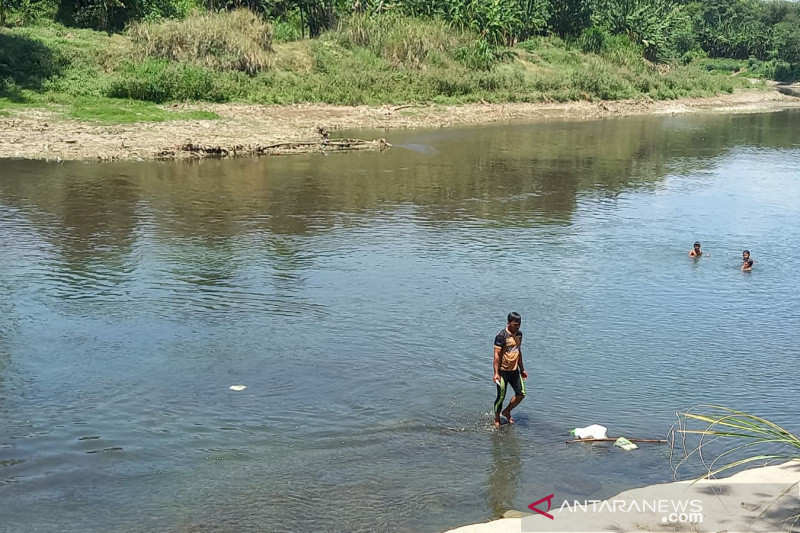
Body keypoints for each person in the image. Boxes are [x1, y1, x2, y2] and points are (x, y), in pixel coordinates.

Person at [493, 312, 528, 428]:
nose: (517, 327)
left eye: (519, 324)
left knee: (521, 394)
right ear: (509, 323)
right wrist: (496, 373)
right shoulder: (501, 336)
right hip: (503, 371)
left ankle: (507, 411)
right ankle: (497, 418)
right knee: (501, 396)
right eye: (515, 325)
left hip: (514, 371)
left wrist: (522, 369)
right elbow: (496, 355)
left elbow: (518, 352)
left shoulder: (519, 335)